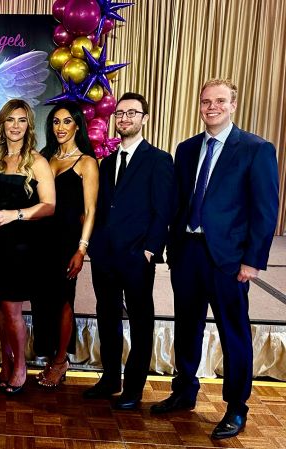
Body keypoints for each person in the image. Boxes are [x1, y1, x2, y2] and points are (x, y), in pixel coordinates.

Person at [152, 79, 278, 440]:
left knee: (233, 333)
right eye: (206, 101)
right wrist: (171, 247)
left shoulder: (256, 149)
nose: (212, 107)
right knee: (186, 326)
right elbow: (178, 202)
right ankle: (184, 391)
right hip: (188, 253)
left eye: (220, 101)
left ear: (233, 105)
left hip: (229, 260)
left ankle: (237, 408)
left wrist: (253, 261)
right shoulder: (187, 148)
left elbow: (265, 212)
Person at [83, 92, 174, 410]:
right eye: (119, 114)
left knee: (140, 319)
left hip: (138, 256)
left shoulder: (159, 160)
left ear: (144, 118)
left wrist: (151, 249)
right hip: (105, 254)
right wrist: (94, 244)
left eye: (132, 113)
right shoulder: (106, 163)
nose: (124, 118)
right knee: (106, 316)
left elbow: (163, 210)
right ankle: (110, 378)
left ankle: (134, 387)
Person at [0, 99, 55, 395]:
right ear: (2, 124)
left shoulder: (37, 161)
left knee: (11, 310)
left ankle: (20, 365)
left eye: (21, 120)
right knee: (1, 309)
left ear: (28, 125)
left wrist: (15, 215)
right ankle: (6, 361)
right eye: (10, 120)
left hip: (22, 247)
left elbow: (50, 206)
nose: (15, 125)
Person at [36, 101, 98, 388]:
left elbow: (91, 209)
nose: (60, 127)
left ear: (77, 125)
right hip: (44, 241)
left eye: (66, 122)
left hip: (67, 244)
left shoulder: (86, 162)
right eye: (55, 122)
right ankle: (51, 357)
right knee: (45, 301)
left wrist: (81, 249)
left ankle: (61, 362)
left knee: (63, 301)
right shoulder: (45, 158)